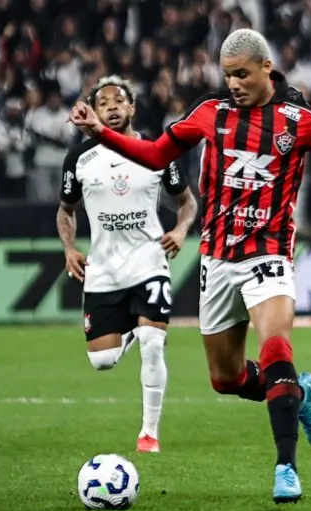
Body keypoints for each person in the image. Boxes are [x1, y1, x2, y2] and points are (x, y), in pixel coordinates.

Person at [69, 29, 311, 503]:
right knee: (226, 378)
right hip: (216, 260)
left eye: (241, 74)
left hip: (269, 254)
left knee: (277, 347)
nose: (233, 83)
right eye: (227, 75)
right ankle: (297, 394)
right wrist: (101, 134)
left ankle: (286, 469)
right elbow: (155, 154)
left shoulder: (297, 120)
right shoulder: (209, 114)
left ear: (265, 68)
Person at [56, 76, 198, 454]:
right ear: (95, 112)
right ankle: (133, 330)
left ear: (132, 108)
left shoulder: (154, 151)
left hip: (149, 262)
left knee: (155, 343)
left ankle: (149, 433)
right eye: (104, 103)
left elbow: (187, 202)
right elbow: (65, 211)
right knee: (102, 360)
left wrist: (182, 230)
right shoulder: (80, 160)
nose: (113, 106)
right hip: (103, 269)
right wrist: (69, 249)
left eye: (120, 100)